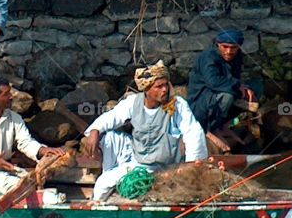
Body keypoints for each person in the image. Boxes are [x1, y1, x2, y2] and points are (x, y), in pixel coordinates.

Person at [81, 61, 208, 201]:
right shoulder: (133, 102)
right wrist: (94, 131)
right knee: (102, 183)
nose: (164, 90)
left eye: (166, 84)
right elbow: (111, 117)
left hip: (167, 166)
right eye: (159, 86)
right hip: (139, 163)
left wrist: (192, 166)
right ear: (146, 89)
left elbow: (193, 133)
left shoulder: (177, 105)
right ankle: (98, 210)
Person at [187, 29, 263, 144]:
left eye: (233, 48)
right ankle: (210, 128)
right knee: (228, 96)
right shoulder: (208, 57)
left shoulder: (236, 57)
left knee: (256, 87)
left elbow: (235, 78)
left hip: (221, 91)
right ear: (218, 45)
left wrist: (245, 88)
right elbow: (213, 82)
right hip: (201, 100)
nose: (229, 51)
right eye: (225, 47)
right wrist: (237, 85)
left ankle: (223, 125)